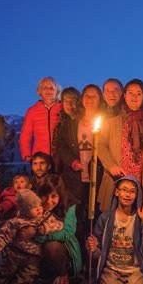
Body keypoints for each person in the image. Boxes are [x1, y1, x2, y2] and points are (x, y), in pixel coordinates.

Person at [87, 176, 143, 284]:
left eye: (132, 191)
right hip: (112, 269)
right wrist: (93, 249)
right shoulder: (106, 218)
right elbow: (98, 246)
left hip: (134, 270)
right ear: (117, 192)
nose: (128, 194)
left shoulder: (140, 218)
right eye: (124, 190)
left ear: (137, 195)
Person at [0, 189, 63, 284]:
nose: (39, 209)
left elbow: (59, 224)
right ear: (25, 210)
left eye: (39, 205)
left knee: (27, 277)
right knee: (6, 272)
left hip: (33, 257)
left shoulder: (43, 218)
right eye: (33, 207)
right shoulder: (16, 222)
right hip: (15, 253)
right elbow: (4, 234)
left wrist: (45, 228)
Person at [97, 78, 143, 212]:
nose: (134, 97)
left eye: (139, 93)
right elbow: (101, 145)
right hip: (117, 177)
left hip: (141, 179)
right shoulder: (111, 122)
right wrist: (111, 165)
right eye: (131, 93)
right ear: (124, 95)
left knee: (137, 217)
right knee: (112, 217)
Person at [55, 84, 104, 260]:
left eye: (94, 96)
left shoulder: (105, 120)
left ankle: (95, 257)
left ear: (100, 100)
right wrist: (72, 161)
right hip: (75, 179)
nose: (90, 100)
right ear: (82, 99)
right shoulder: (71, 123)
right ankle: (78, 260)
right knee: (77, 220)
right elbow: (62, 145)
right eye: (87, 96)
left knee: (95, 219)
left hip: (97, 178)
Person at [36, 175, 82, 284]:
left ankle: (62, 275)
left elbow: (68, 232)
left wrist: (43, 236)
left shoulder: (69, 205)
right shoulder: (35, 206)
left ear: (60, 195)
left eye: (53, 196)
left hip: (63, 248)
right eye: (44, 196)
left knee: (52, 246)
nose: (48, 201)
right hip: (38, 245)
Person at [20, 76, 62, 161]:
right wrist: (26, 154)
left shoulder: (63, 108)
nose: (48, 91)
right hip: (40, 158)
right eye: (44, 88)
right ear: (39, 91)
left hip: (61, 157)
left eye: (51, 88)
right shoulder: (32, 111)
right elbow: (25, 136)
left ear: (57, 91)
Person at [52, 87, 80, 174]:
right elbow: (60, 146)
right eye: (66, 101)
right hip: (69, 169)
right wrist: (71, 161)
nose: (69, 104)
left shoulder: (86, 121)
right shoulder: (61, 125)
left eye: (72, 100)